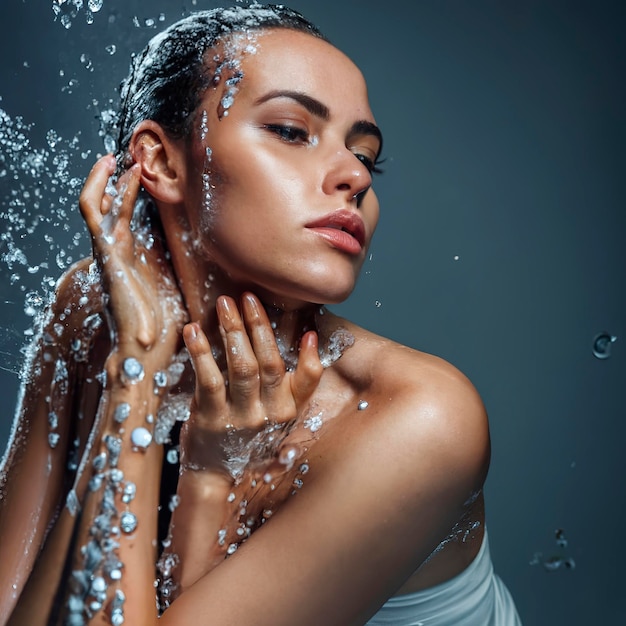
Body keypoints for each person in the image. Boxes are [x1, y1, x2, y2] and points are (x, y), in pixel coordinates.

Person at [0, 5, 522, 625]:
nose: (355, 175)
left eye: (367, 158)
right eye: (292, 130)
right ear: (162, 163)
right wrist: (135, 376)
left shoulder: (419, 419)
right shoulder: (94, 313)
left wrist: (198, 465)